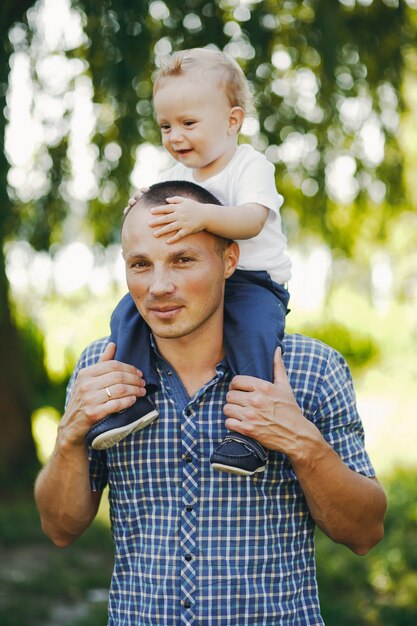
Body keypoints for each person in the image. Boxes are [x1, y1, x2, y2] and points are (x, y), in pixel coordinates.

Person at [35, 182, 386, 626]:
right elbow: (60, 529)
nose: (160, 286)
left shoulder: (310, 369)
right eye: (141, 264)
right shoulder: (100, 370)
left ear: (229, 260)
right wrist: (70, 435)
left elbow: (364, 533)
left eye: (183, 260)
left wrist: (303, 445)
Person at [86, 47, 291, 477]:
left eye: (188, 123)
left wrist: (204, 215)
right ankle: (133, 399)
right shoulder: (172, 177)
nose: (175, 136)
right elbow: (153, 215)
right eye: (165, 125)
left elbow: (252, 220)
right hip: (198, 281)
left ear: (232, 121)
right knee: (128, 314)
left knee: (254, 334)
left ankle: (249, 433)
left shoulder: (248, 166)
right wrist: (139, 207)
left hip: (253, 281)